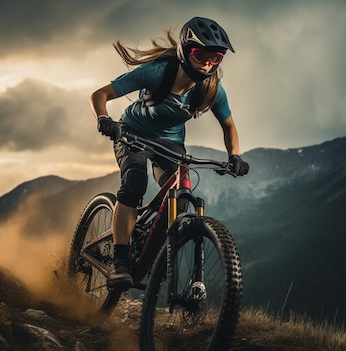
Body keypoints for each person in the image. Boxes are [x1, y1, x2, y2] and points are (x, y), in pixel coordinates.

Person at [90, 17, 249, 291]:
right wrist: (105, 119)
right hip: (133, 133)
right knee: (135, 182)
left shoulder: (211, 88)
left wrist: (234, 155)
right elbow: (100, 94)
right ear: (186, 51)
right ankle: (120, 261)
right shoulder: (157, 72)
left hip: (170, 143)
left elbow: (229, 126)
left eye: (217, 57)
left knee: (181, 194)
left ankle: (154, 250)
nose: (209, 64)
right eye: (201, 55)